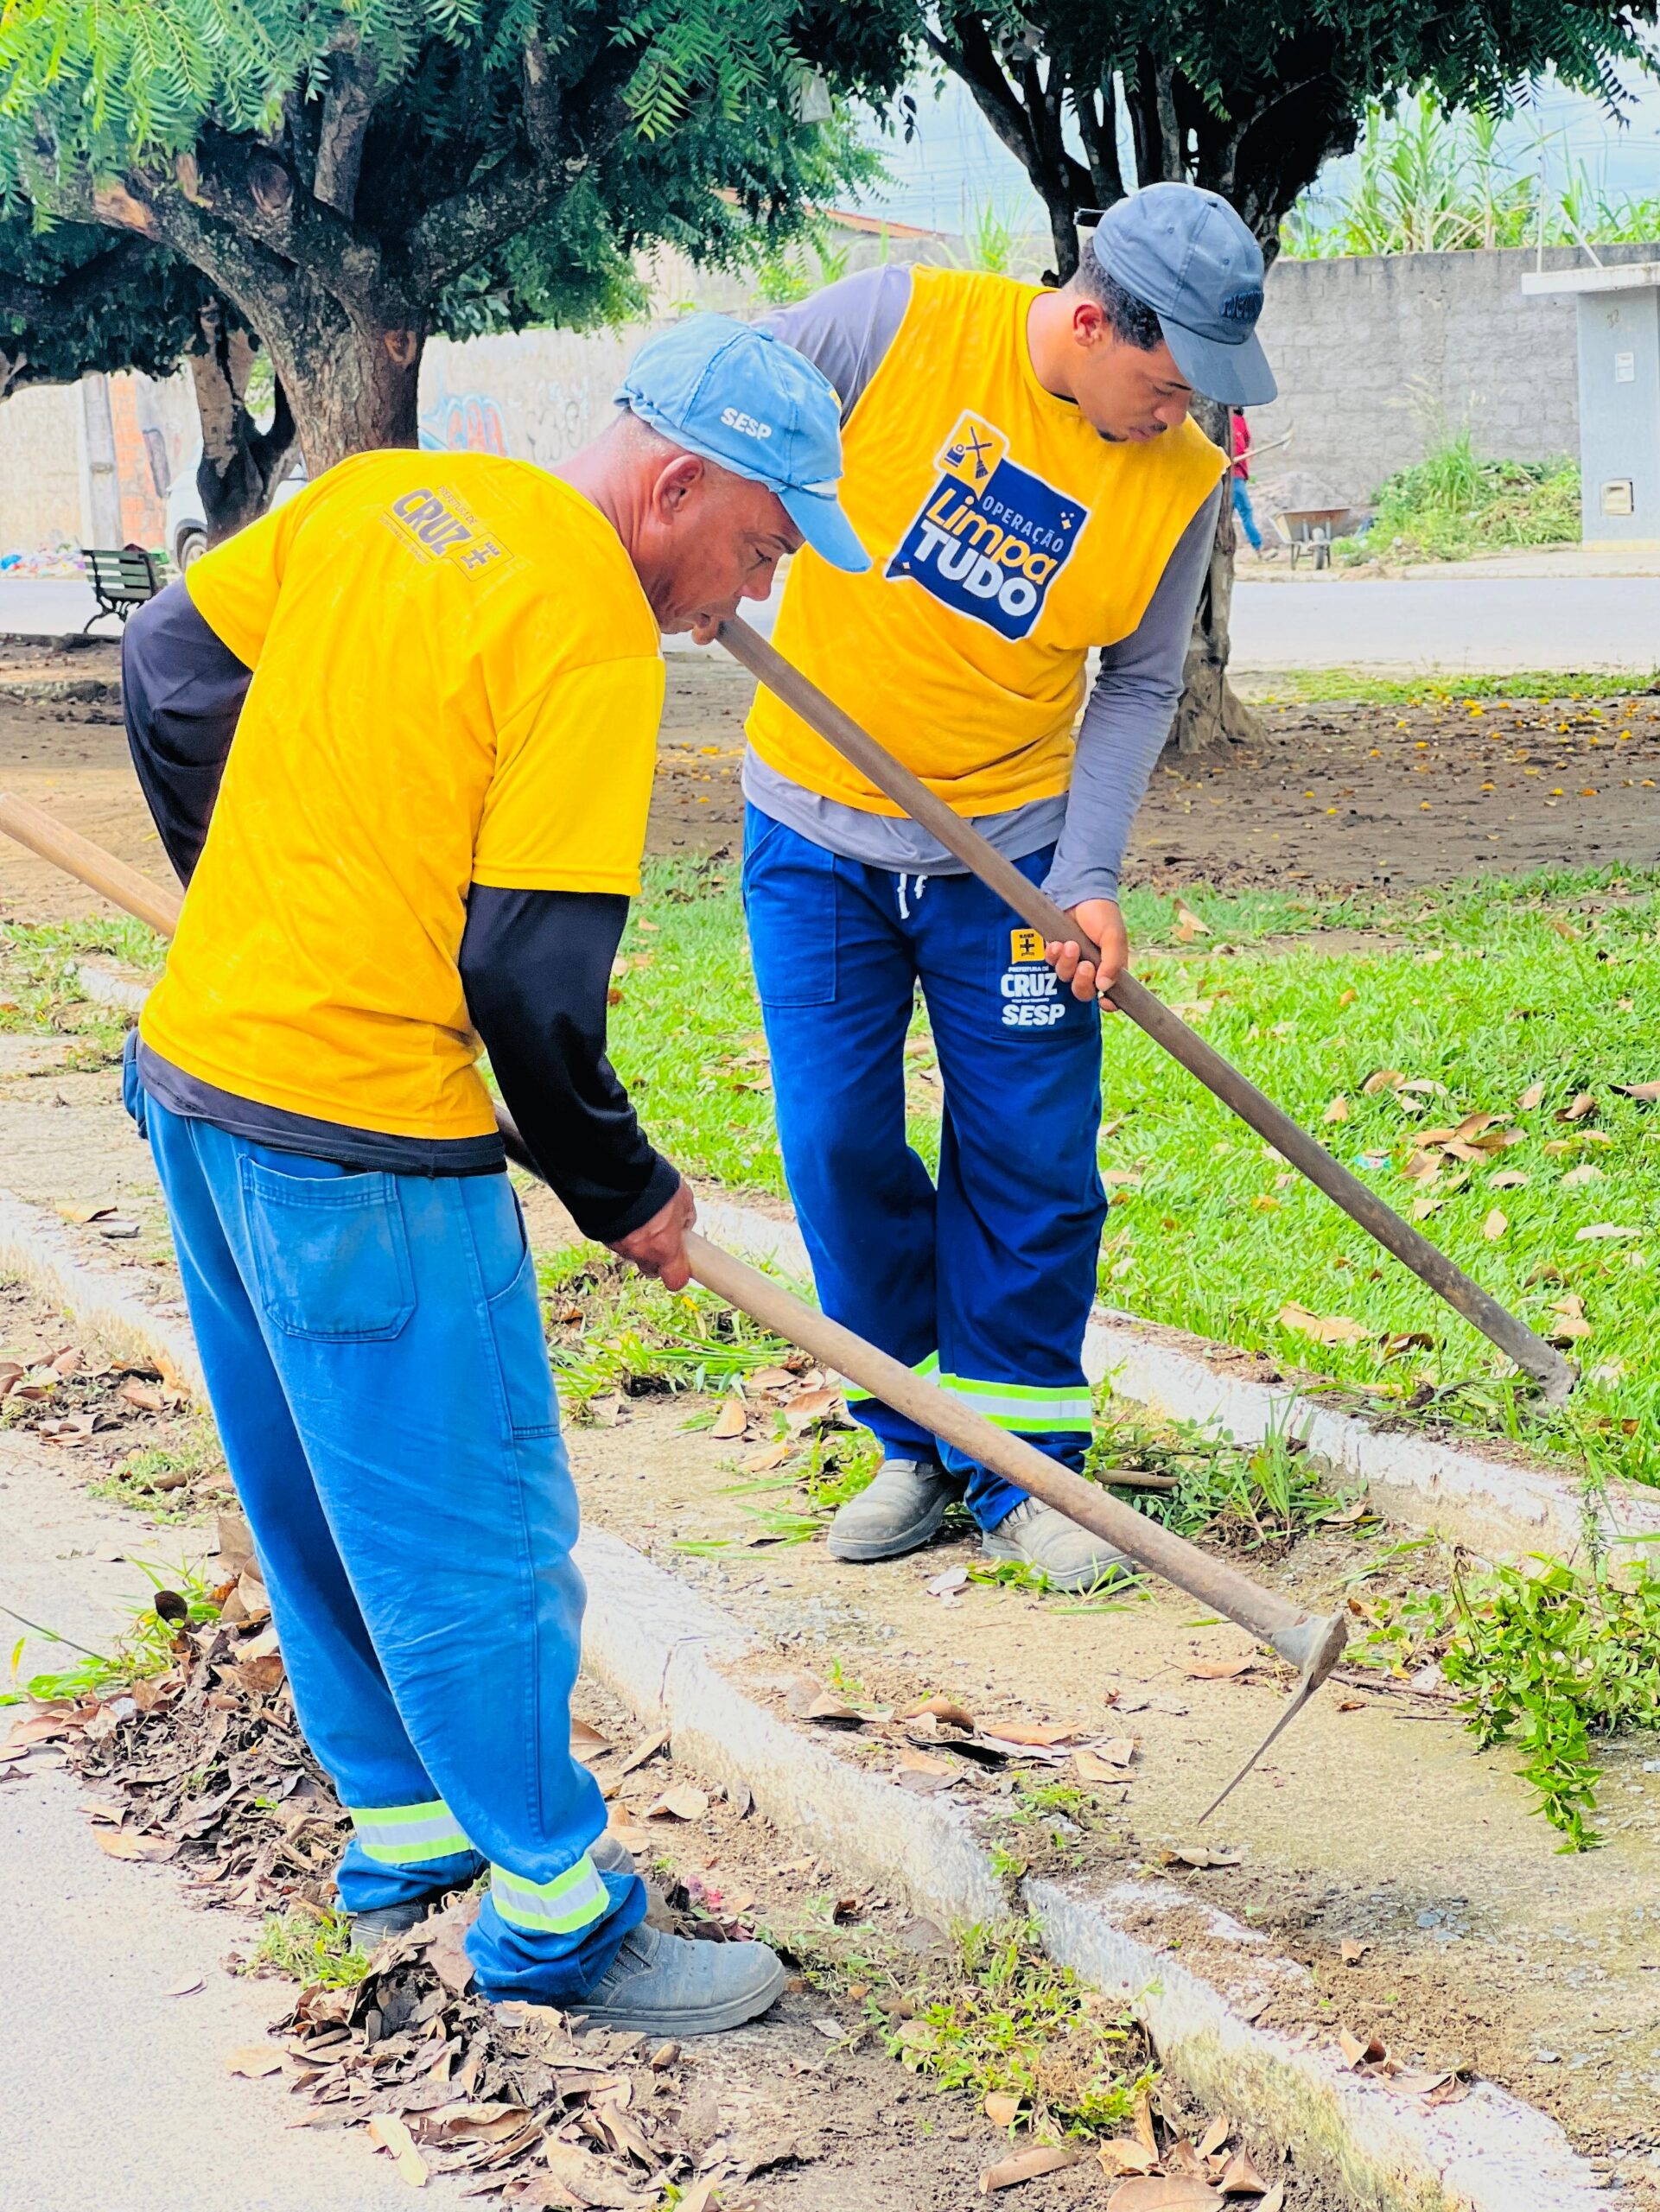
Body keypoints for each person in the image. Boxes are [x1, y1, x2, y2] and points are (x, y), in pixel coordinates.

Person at [116, 315, 868, 2033]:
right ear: (675, 483)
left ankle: (400, 1829)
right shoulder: (593, 635)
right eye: (756, 545)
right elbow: (532, 990)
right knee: (481, 1535)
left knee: (313, 1490)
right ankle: (552, 1911)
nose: (741, 600)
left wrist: (254, 903)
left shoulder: (387, 493)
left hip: (201, 1081)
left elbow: (168, 671)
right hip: (367, 1144)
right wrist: (632, 1193)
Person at [746, 183, 1276, 1589]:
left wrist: (1087, 874)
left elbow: (1145, 675)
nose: (1182, 416)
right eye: (1165, 386)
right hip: (813, 834)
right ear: (1091, 320)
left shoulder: (1182, 470)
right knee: (836, 1143)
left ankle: (1026, 1465)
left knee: (1034, 1156)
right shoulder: (891, 327)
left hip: (1016, 855)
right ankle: (913, 1444)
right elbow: (711, 416)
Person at [1231, 409, 1269, 555]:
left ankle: (1257, 547)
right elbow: (1236, 447)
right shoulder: (1230, 420)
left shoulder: (1239, 420)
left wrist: (1248, 452)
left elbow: (1246, 443)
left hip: (1238, 475)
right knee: (1245, 511)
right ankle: (1258, 547)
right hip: (1232, 476)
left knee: (1238, 512)